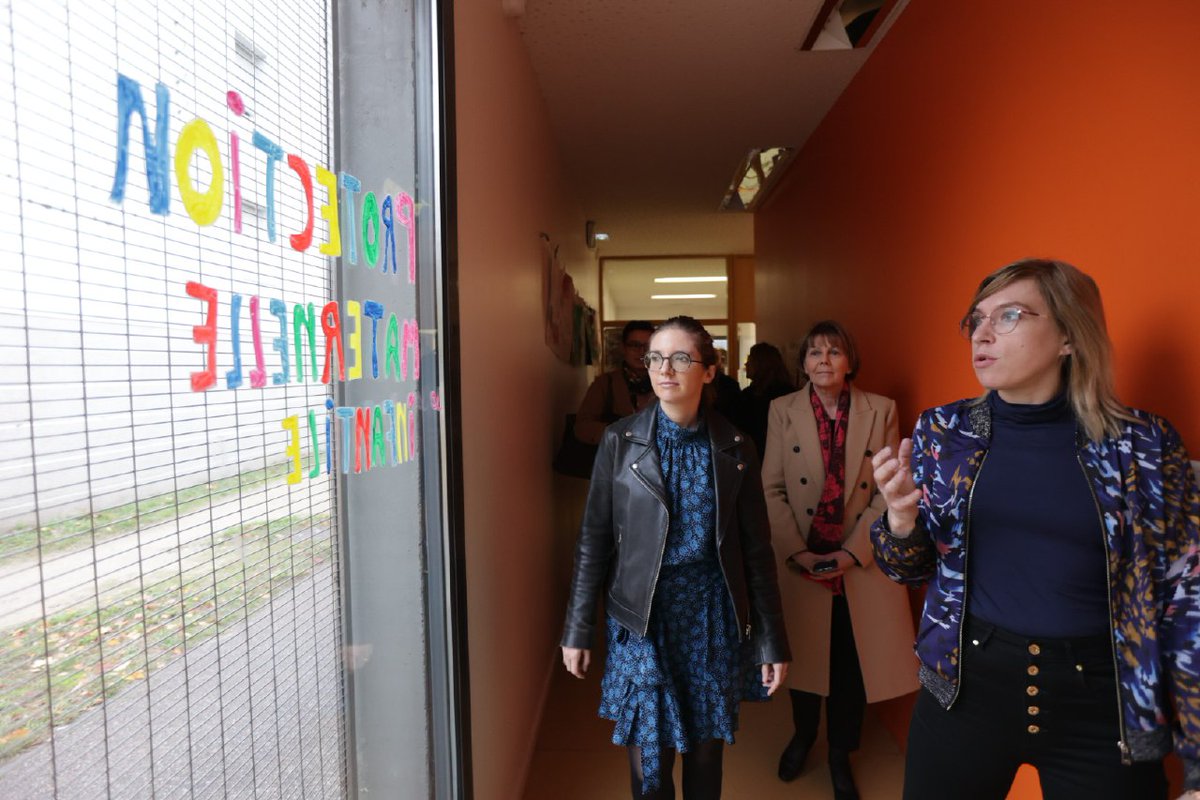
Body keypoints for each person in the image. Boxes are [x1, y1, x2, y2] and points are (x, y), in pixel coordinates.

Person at [870, 258, 1200, 800]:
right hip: (964, 692)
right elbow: (906, 569)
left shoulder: (1143, 445)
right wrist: (901, 522)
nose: (982, 333)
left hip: (1104, 707)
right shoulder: (944, 431)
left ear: (1069, 336)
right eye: (976, 320)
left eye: (1009, 316)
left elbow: (1184, 596)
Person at [561, 315, 791, 800]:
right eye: (656, 358)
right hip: (643, 619)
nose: (665, 368)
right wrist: (578, 629)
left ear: (709, 370)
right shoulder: (620, 442)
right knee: (650, 764)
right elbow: (594, 541)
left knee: (706, 759)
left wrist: (771, 640)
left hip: (710, 618)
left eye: (681, 357)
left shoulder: (736, 447)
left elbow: (756, 551)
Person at [762, 320, 918, 800]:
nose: (823, 360)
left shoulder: (880, 410)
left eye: (833, 351)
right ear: (803, 364)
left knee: (851, 663)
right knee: (804, 659)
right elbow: (772, 487)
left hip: (858, 558)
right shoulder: (781, 409)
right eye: (813, 353)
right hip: (802, 557)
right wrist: (798, 552)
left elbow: (887, 489)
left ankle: (839, 755)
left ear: (851, 360)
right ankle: (804, 735)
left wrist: (853, 552)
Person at [575, 320, 656, 445]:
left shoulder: (666, 383)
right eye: (634, 345)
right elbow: (582, 427)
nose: (641, 352)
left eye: (647, 346)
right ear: (623, 348)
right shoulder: (606, 384)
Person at [733, 342, 796, 457]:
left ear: (761, 364)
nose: (746, 364)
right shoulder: (788, 392)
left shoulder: (751, 395)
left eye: (750, 360)